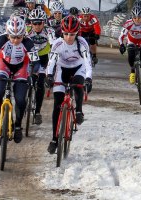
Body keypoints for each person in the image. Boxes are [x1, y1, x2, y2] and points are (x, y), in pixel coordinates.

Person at [0, 16, 40, 143]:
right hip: (4, 64)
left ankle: (18, 126)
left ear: (23, 35)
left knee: (20, 98)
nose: (15, 40)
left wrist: (34, 75)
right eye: (12, 37)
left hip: (20, 67)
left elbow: (36, 63)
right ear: (7, 34)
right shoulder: (0, 40)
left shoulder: (28, 43)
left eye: (19, 37)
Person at [45, 16, 92, 154]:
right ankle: (54, 139)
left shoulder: (82, 43)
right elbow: (51, 62)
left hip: (78, 68)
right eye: (66, 34)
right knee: (57, 104)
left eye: (72, 34)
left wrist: (88, 79)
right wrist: (48, 76)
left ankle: (78, 111)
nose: (69, 37)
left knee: (78, 84)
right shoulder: (57, 44)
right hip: (62, 69)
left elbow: (88, 63)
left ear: (77, 33)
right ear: (62, 33)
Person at [26, 8, 56, 124]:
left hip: (44, 59)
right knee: (28, 80)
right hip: (31, 58)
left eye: (39, 23)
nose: (37, 26)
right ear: (31, 23)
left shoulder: (49, 31)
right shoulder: (27, 30)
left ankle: (37, 112)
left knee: (40, 84)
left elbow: (53, 44)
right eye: (34, 23)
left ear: (44, 22)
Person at [118, 6, 141, 90]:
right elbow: (121, 36)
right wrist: (121, 45)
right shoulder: (128, 23)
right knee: (130, 53)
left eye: (139, 18)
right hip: (132, 41)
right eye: (135, 18)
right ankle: (132, 71)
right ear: (132, 17)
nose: (137, 20)